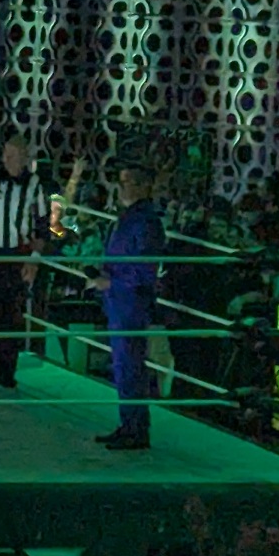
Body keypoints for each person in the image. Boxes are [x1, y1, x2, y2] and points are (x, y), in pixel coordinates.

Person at [0, 137, 60, 389]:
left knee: (12, 314)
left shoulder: (34, 185)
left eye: (12, 155)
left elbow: (42, 227)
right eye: (5, 154)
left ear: (24, 158)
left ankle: (7, 370)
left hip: (17, 255)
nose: (6, 160)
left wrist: (33, 260)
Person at [91, 165, 167, 450]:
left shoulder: (145, 222)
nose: (121, 188)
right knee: (124, 365)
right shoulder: (132, 218)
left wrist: (111, 282)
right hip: (121, 300)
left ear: (141, 186)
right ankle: (130, 425)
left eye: (126, 182)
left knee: (130, 365)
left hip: (130, 301)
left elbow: (145, 270)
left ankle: (135, 428)